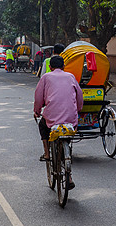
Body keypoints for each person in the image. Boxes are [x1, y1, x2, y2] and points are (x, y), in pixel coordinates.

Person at [34, 55, 83, 189]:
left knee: (42, 126)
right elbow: (79, 96)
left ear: (50, 67)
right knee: (66, 139)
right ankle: (69, 175)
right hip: (70, 118)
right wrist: (77, 109)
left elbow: (38, 97)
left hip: (52, 118)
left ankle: (47, 153)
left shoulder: (46, 77)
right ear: (63, 66)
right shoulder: (71, 76)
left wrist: (37, 111)